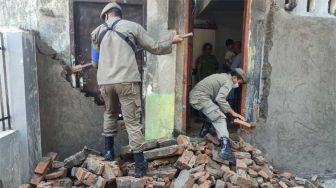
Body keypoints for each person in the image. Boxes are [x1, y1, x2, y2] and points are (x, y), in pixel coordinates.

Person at [90, 2, 184, 178]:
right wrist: (172, 41)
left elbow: (94, 62)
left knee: (110, 114)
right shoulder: (132, 27)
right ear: (119, 13)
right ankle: (140, 165)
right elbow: (154, 46)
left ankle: (108, 152)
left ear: (106, 16)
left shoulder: (96, 33)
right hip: (127, 80)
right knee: (132, 121)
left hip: (105, 82)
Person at [189, 68, 249, 166]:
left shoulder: (223, 77)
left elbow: (218, 100)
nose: (238, 84)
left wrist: (227, 112)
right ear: (234, 77)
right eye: (239, 81)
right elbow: (220, 99)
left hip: (198, 96)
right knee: (219, 118)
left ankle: (202, 134)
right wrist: (233, 113)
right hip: (200, 97)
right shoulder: (228, 82)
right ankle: (225, 148)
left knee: (215, 112)